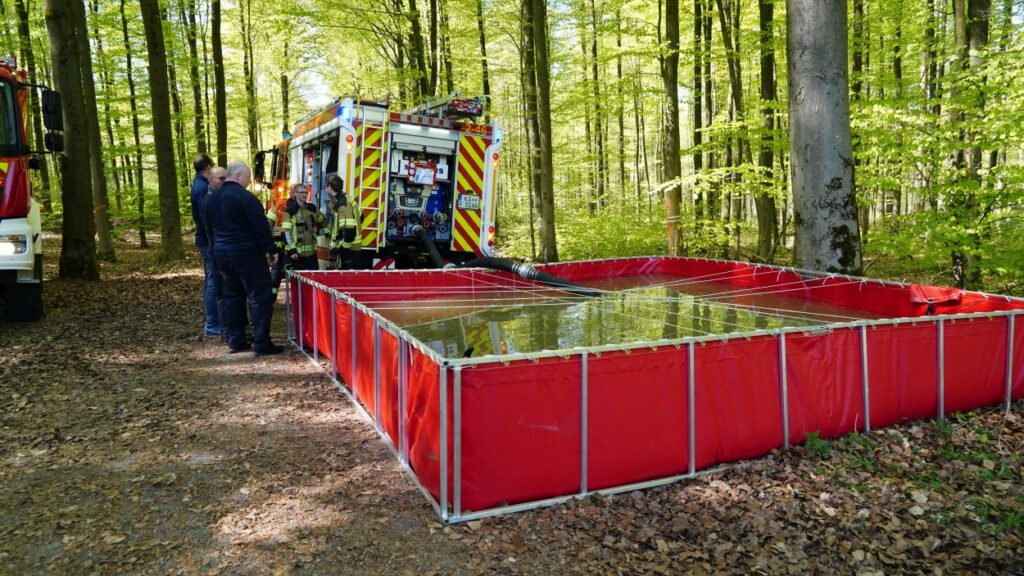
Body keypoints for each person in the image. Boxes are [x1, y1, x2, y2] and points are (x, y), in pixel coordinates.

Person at [204, 160, 284, 356]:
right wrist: (272, 250)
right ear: (239, 175)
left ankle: (236, 340)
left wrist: (216, 250)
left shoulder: (211, 199)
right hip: (247, 253)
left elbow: (209, 230)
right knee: (259, 296)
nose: (249, 181)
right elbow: (260, 228)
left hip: (222, 254)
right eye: (248, 177)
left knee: (232, 297)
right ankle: (262, 342)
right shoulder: (246, 198)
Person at [190, 154, 220, 336]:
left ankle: (215, 321)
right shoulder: (202, 188)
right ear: (208, 167)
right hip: (207, 241)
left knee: (212, 279)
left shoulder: (199, 185)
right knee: (212, 280)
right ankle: (212, 323)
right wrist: (213, 241)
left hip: (206, 239)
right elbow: (204, 217)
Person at [324, 175, 363, 269]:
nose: (326, 190)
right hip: (352, 249)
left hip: (349, 251)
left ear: (329, 187)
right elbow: (361, 217)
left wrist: (339, 249)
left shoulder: (342, 205)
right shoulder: (346, 199)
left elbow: (350, 233)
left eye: (326, 187)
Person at [283, 183, 321, 271]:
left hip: (312, 254)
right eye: (301, 192)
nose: (304, 195)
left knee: (314, 277)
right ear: (295, 193)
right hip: (297, 255)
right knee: (298, 278)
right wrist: (292, 250)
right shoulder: (289, 210)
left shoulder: (312, 208)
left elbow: (323, 221)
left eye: (306, 192)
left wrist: (327, 233)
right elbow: (285, 232)